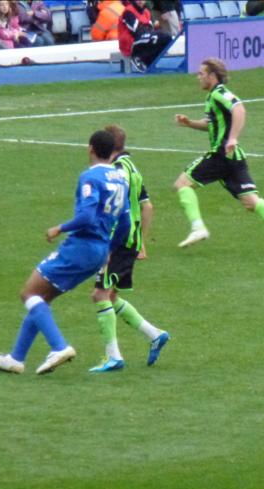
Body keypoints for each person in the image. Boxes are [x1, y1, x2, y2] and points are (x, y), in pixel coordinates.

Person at [0, 130, 128, 375]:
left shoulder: (90, 177)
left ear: (90, 148)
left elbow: (86, 216)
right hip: (100, 250)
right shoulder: (121, 178)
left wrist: (59, 228)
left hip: (80, 247)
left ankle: (59, 346)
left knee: (28, 293)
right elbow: (124, 221)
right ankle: (16, 358)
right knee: (42, 298)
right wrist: (110, 250)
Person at [173, 58, 264, 257]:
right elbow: (211, 124)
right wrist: (189, 123)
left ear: (212, 76)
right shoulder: (212, 97)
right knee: (251, 201)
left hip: (221, 155)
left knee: (183, 184)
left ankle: (198, 228)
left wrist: (232, 138)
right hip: (234, 157)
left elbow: (239, 108)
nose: (198, 77)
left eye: (201, 73)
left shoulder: (219, 93)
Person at [89, 124, 170, 373]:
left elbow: (117, 210)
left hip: (118, 241)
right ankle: (154, 334)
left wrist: (110, 245)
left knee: (100, 295)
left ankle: (113, 356)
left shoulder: (116, 171)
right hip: (130, 240)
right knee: (111, 296)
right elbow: (147, 206)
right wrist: (141, 241)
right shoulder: (132, 168)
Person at [118, 0, 171, 72]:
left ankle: (149, 61)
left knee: (167, 38)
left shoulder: (146, 12)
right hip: (129, 41)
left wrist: (150, 32)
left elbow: (150, 27)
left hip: (142, 37)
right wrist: (150, 33)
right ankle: (137, 57)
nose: (140, 1)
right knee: (156, 37)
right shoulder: (128, 11)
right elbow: (135, 30)